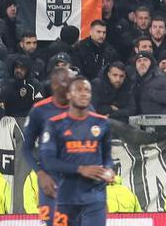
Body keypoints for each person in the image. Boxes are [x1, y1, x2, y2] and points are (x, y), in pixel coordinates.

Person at [39, 77, 113, 226]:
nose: (84, 94)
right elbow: (48, 162)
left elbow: (107, 157)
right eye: (79, 90)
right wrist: (80, 169)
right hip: (64, 197)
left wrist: (109, 170)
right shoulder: (54, 124)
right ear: (68, 95)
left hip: (94, 198)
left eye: (87, 90)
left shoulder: (102, 123)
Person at [22, 67, 72, 226]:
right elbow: (26, 148)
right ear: (56, 85)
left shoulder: (83, 107)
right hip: (50, 180)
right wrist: (40, 174)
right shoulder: (40, 110)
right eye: (68, 81)